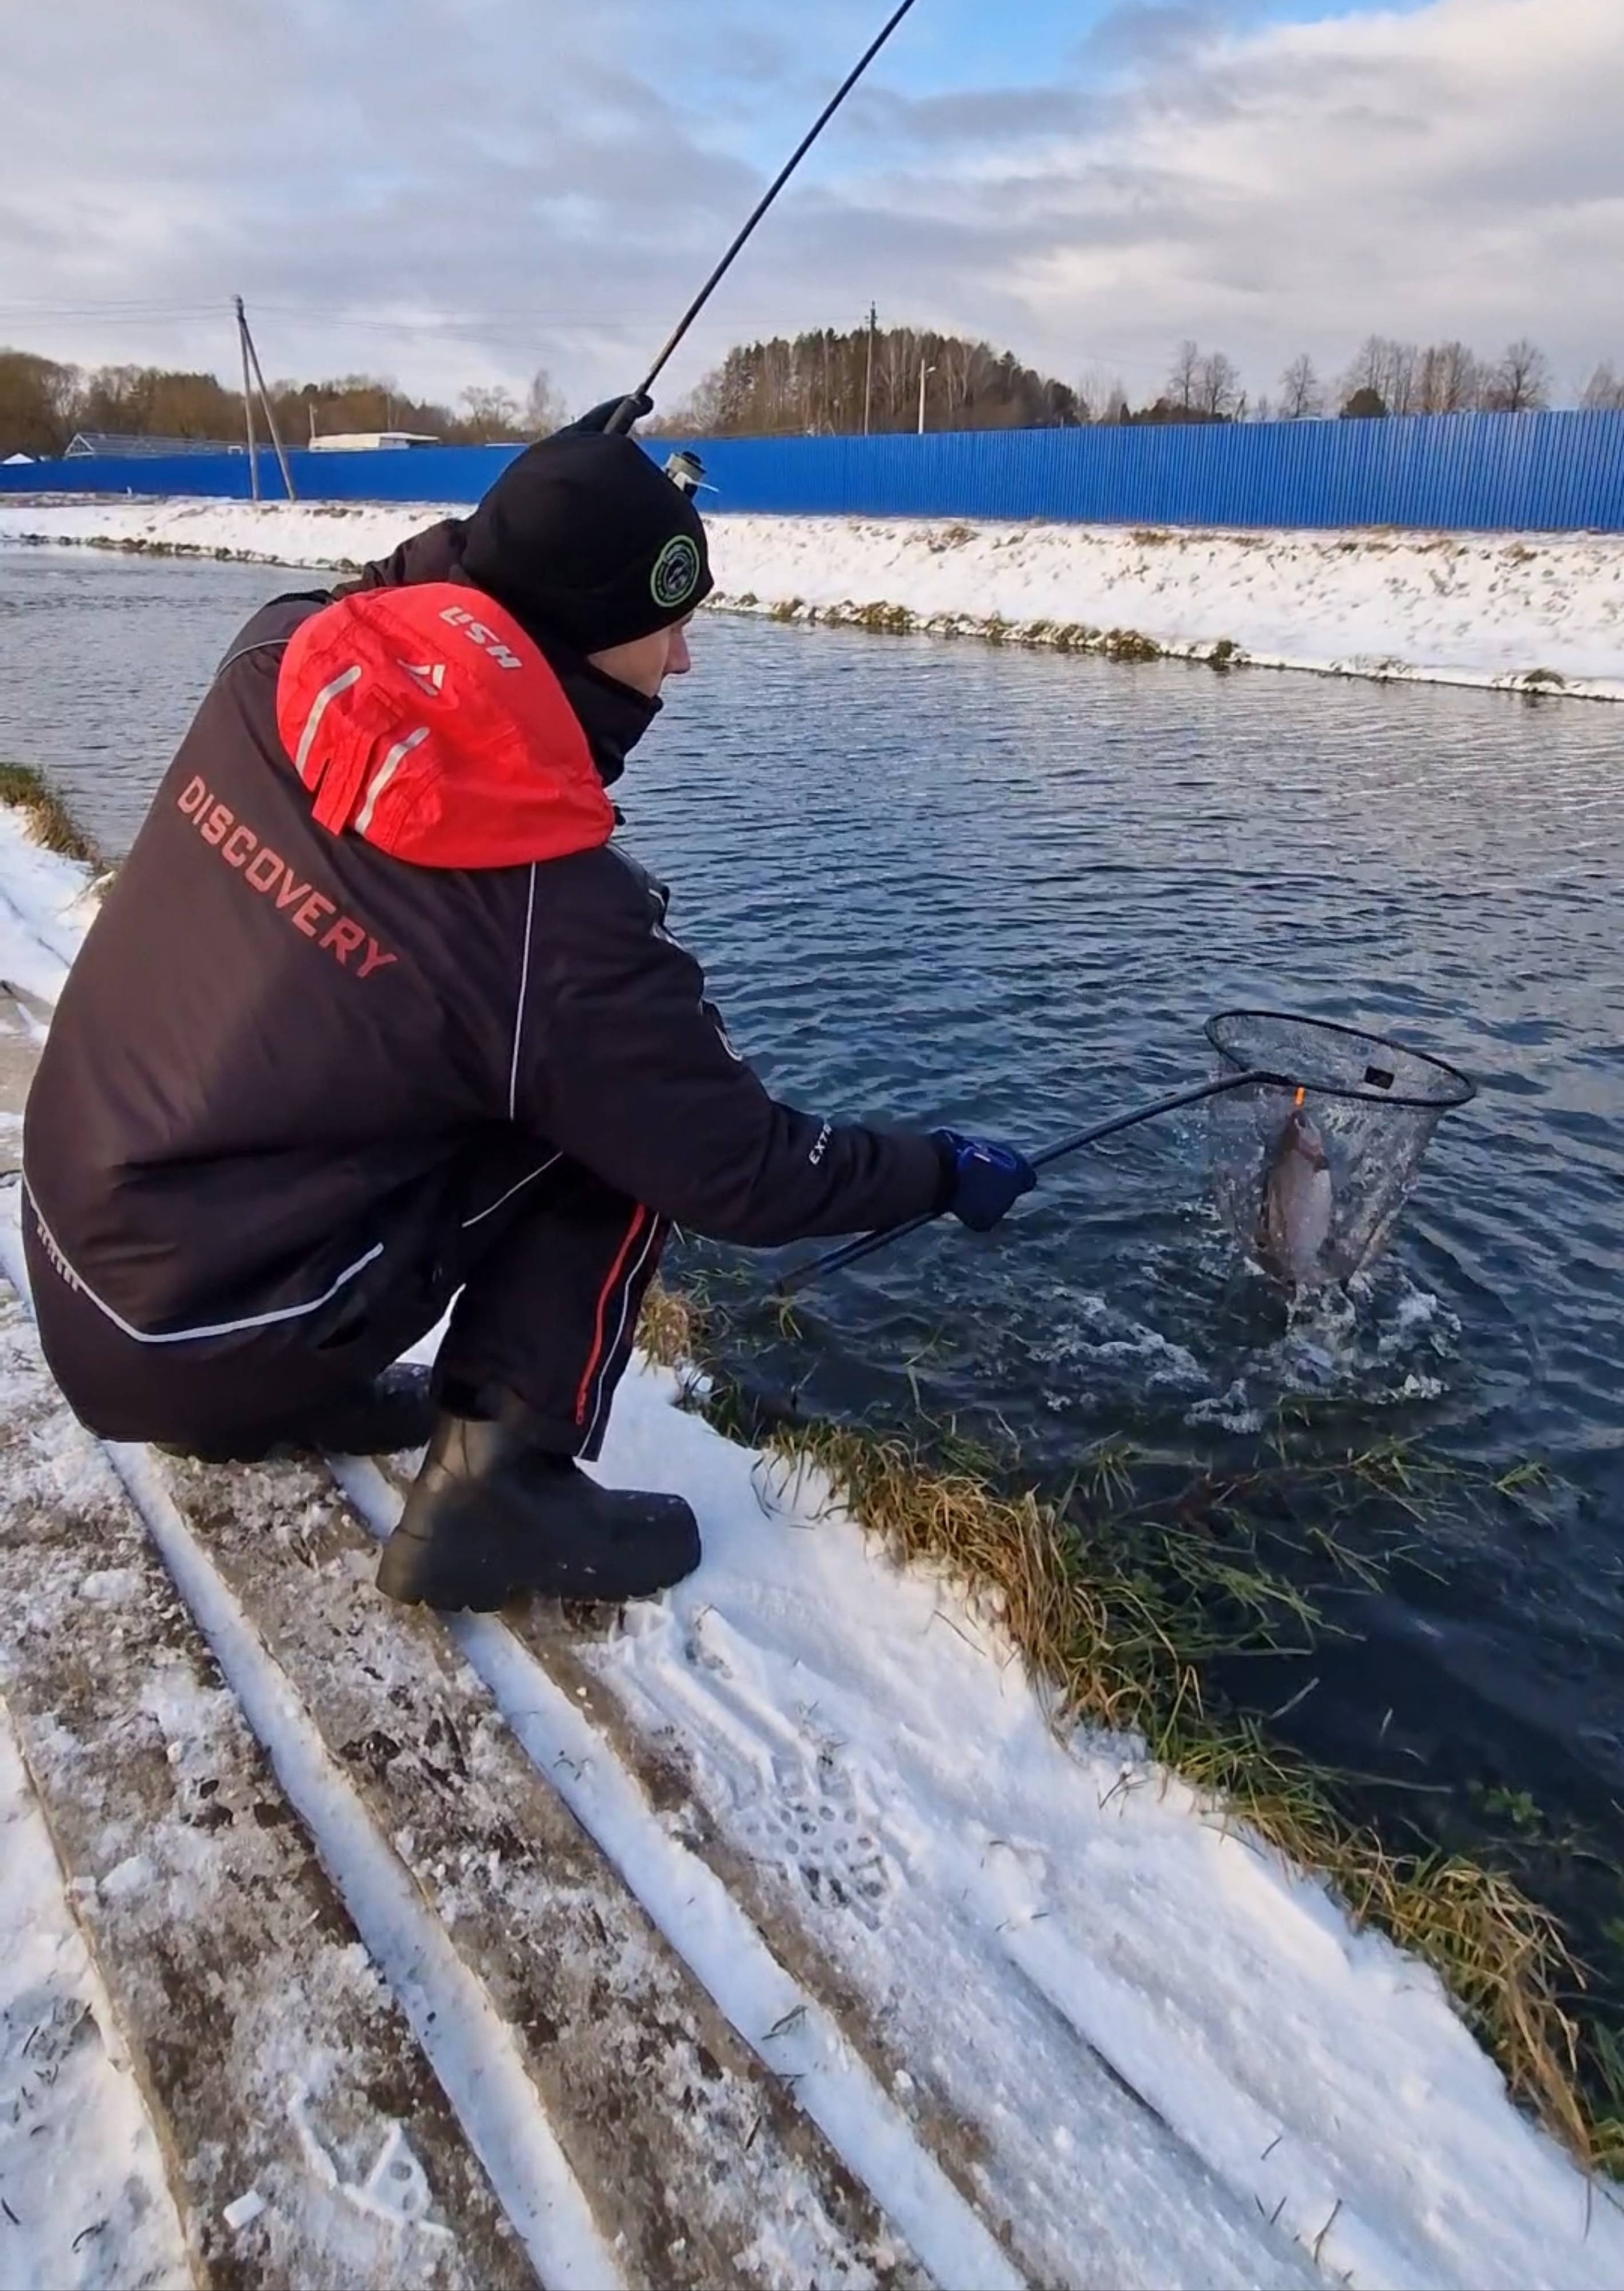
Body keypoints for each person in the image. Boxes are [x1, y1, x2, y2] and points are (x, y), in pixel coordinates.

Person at [22, 423, 1036, 1608]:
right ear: (592, 643)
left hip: (82, 1258)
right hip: (195, 1339)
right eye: (670, 626)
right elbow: (743, 1171)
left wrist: (548, 499)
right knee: (617, 1126)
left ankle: (286, 1382)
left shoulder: (281, 657)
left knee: (467, 1053)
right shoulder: (557, 925)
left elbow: (402, 588)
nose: (685, 663)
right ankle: (491, 1499)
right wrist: (934, 1169)